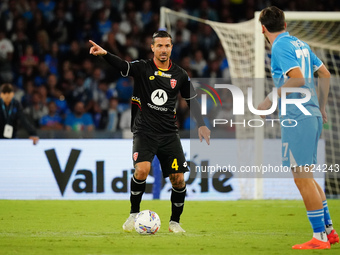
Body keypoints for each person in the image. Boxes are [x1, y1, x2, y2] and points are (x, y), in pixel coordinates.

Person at [89, 30, 210, 233]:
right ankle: (133, 214)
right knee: (142, 170)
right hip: (144, 131)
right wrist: (105, 54)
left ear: (171, 47)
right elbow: (124, 66)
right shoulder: (143, 67)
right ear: (152, 47)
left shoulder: (180, 74)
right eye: (159, 46)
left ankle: (175, 223)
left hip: (169, 134)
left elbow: (191, 100)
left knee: (178, 180)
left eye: (167, 46)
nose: (163, 50)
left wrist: (201, 123)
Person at [257, 6, 338, 250]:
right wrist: (321, 107)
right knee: (307, 176)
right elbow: (324, 74)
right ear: (284, 23)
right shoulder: (300, 44)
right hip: (311, 114)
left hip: (298, 117)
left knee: (301, 178)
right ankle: (329, 232)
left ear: (263, 28)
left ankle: (319, 238)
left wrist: (270, 98)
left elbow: (298, 78)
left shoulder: (280, 46)